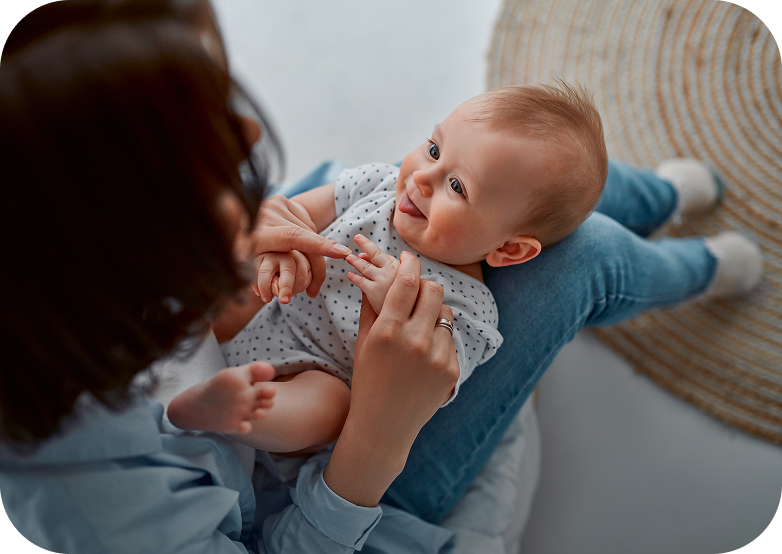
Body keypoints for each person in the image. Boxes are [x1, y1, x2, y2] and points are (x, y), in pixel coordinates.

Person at [0, 1, 462, 552]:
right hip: (316, 480)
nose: (249, 131)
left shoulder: (59, 263)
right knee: (558, 235)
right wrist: (377, 438)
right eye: (195, 127)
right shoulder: (97, 508)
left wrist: (245, 228)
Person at [167, 83, 763, 459]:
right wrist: (277, 244)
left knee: (328, 408)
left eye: (457, 186)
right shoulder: (381, 184)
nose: (421, 178)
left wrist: (392, 312)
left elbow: (413, 392)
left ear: (509, 253)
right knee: (225, 284)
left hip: (319, 370)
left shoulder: (470, 309)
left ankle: (243, 414)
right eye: (433, 149)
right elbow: (295, 213)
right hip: (261, 307)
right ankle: (667, 203)